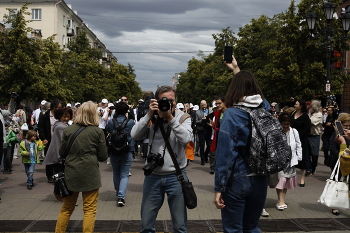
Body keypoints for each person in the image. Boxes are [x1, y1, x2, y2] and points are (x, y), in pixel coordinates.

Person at [214, 55, 268, 232]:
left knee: (233, 228)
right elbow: (262, 101)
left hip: (238, 178)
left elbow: (225, 155)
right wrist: (237, 70)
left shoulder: (232, 115)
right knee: (252, 226)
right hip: (261, 177)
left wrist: (219, 187)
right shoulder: (263, 109)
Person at [131, 85, 192, 233]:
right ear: (156, 101)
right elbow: (134, 135)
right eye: (164, 100)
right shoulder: (151, 118)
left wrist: (170, 119)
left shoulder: (183, 117)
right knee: (146, 225)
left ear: (175, 101)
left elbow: (186, 140)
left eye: (171, 100)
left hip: (176, 176)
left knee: (180, 226)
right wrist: (148, 115)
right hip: (153, 176)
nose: (168, 103)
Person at [55, 101, 108, 233]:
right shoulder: (97, 132)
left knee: (67, 208)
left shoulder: (68, 130)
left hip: (71, 172)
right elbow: (103, 156)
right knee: (90, 210)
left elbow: (62, 153)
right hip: (90, 173)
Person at [106, 101, 135, 207]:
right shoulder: (131, 122)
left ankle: (119, 192)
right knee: (124, 174)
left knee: (116, 173)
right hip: (127, 150)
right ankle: (121, 196)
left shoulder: (110, 122)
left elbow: (109, 131)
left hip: (114, 150)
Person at [42, 107, 73, 201]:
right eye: (64, 116)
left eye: (68, 116)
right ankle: (64, 195)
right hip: (59, 155)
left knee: (60, 175)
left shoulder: (63, 125)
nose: (66, 118)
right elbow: (63, 143)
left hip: (59, 154)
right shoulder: (60, 127)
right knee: (61, 176)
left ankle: (59, 192)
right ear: (59, 116)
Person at [274, 112, 302, 210]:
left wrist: (299, 157)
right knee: (281, 180)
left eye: (288, 124)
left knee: (286, 180)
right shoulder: (276, 131)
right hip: (279, 160)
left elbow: (298, 144)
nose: (286, 126)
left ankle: (282, 199)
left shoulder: (294, 131)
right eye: (284, 124)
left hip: (291, 160)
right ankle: (279, 200)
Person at [328, 113, 350, 216]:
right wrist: (341, 156)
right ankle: (335, 206)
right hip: (338, 162)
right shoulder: (336, 135)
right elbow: (332, 148)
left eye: (349, 125)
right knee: (337, 182)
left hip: (348, 163)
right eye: (345, 126)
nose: (348, 128)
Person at [38, 100, 62, 183]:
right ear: (54, 107)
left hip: (59, 140)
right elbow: (40, 127)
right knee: (50, 157)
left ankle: (58, 174)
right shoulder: (45, 115)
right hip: (49, 140)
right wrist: (44, 138)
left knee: (59, 157)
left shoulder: (60, 115)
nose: (60, 109)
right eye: (59, 107)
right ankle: (49, 175)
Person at [291, 99, 311, 187]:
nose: (295, 105)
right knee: (292, 157)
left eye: (296, 104)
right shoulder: (292, 114)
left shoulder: (305, 116)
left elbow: (307, 129)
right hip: (292, 139)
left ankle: (302, 178)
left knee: (302, 158)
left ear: (301, 106)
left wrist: (298, 135)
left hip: (302, 140)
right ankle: (292, 177)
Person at [306, 100, 322, 176]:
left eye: (312, 106)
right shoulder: (309, 113)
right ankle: (309, 169)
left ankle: (313, 167)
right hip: (308, 135)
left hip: (315, 136)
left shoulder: (319, 115)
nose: (310, 107)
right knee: (307, 153)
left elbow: (311, 123)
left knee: (314, 154)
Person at [196, 100, 212, 165]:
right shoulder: (198, 112)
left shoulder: (210, 111)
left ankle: (206, 155)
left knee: (209, 145)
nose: (203, 106)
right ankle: (202, 159)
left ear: (207, 104)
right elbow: (196, 121)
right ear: (200, 105)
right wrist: (202, 120)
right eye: (202, 105)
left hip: (208, 130)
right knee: (201, 145)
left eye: (204, 105)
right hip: (201, 129)